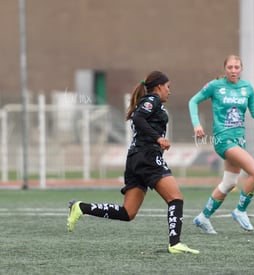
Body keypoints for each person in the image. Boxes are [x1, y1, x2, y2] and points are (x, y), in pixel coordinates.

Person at [67, 71, 199, 254]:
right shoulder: (152, 101)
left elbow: (140, 119)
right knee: (175, 198)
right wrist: (158, 139)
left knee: (128, 213)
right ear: (159, 86)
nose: (170, 91)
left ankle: (81, 207)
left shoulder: (153, 103)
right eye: (168, 87)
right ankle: (175, 243)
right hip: (147, 157)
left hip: (137, 158)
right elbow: (138, 118)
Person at [188, 55, 254, 234]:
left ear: (241, 68)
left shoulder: (247, 88)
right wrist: (197, 124)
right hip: (223, 140)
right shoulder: (215, 86)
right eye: (230, 67)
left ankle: (203, 217)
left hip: (239, 141)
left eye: (236, 67)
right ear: (225, 69)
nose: (233, 71)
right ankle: (240, 211)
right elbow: (193, 101)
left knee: (228, 183)